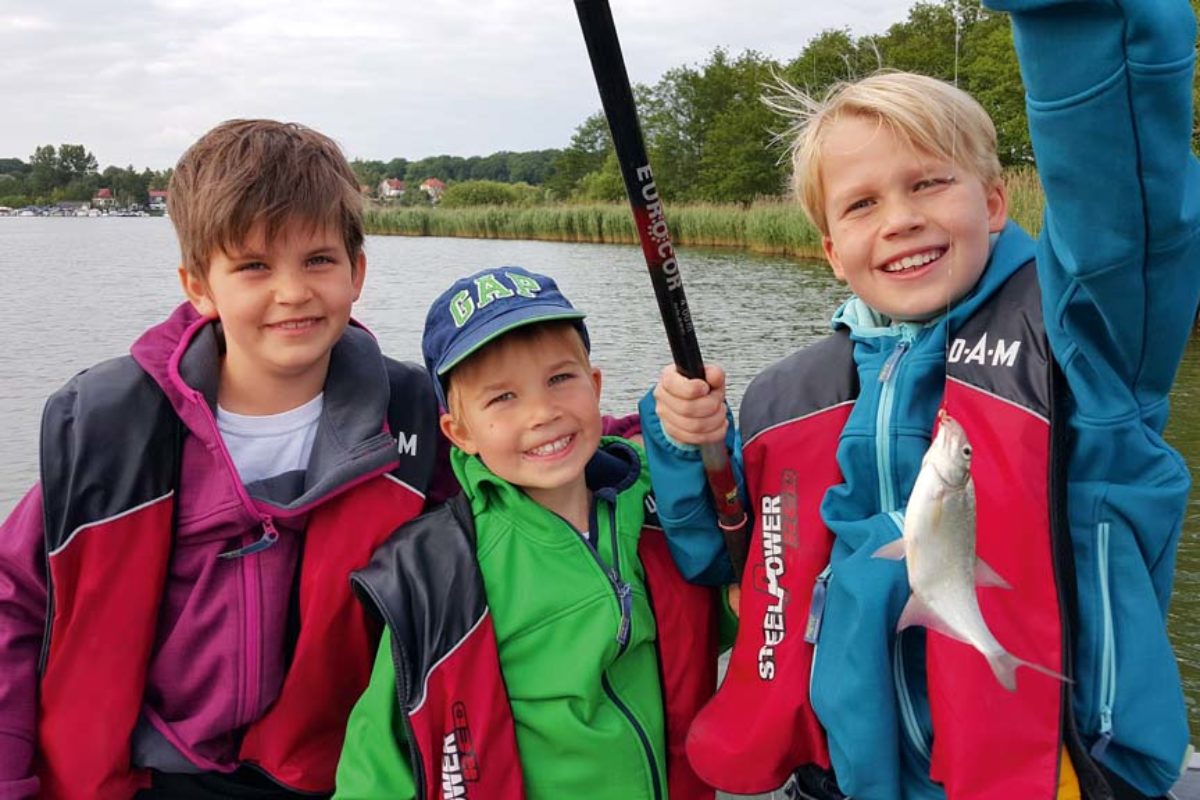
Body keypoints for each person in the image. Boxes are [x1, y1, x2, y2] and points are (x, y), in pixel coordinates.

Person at [640, 2, 1200, 799]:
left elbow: (1127, 218)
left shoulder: (1082, 346)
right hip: (843, 781)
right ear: (832, 250)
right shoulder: (785, 398)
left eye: (930, 183)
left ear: (995, 204)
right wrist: (686, 448)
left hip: (1050, 775)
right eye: (862, 204)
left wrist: (1078, 20)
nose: (901, 219)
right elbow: (719, 560)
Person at [0, 119, 446, 798]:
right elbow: (15, 599)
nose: (292, 291)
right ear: (199, 285)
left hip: (330, 775)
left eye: (319, 260)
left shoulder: (417, 415)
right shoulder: (113, 426)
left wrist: (664, 422)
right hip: (151, 776)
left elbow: (533, 440)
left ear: (357, 272)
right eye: (254, 266)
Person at [332, 267, 731, 799]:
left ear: (594, 386)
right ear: (460, 432)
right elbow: (375, 765)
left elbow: (713, 620)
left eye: (560, 379)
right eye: (503, 399)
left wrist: (697, 433)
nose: (543, 413)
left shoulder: (651, 502)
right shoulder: (444, 571)